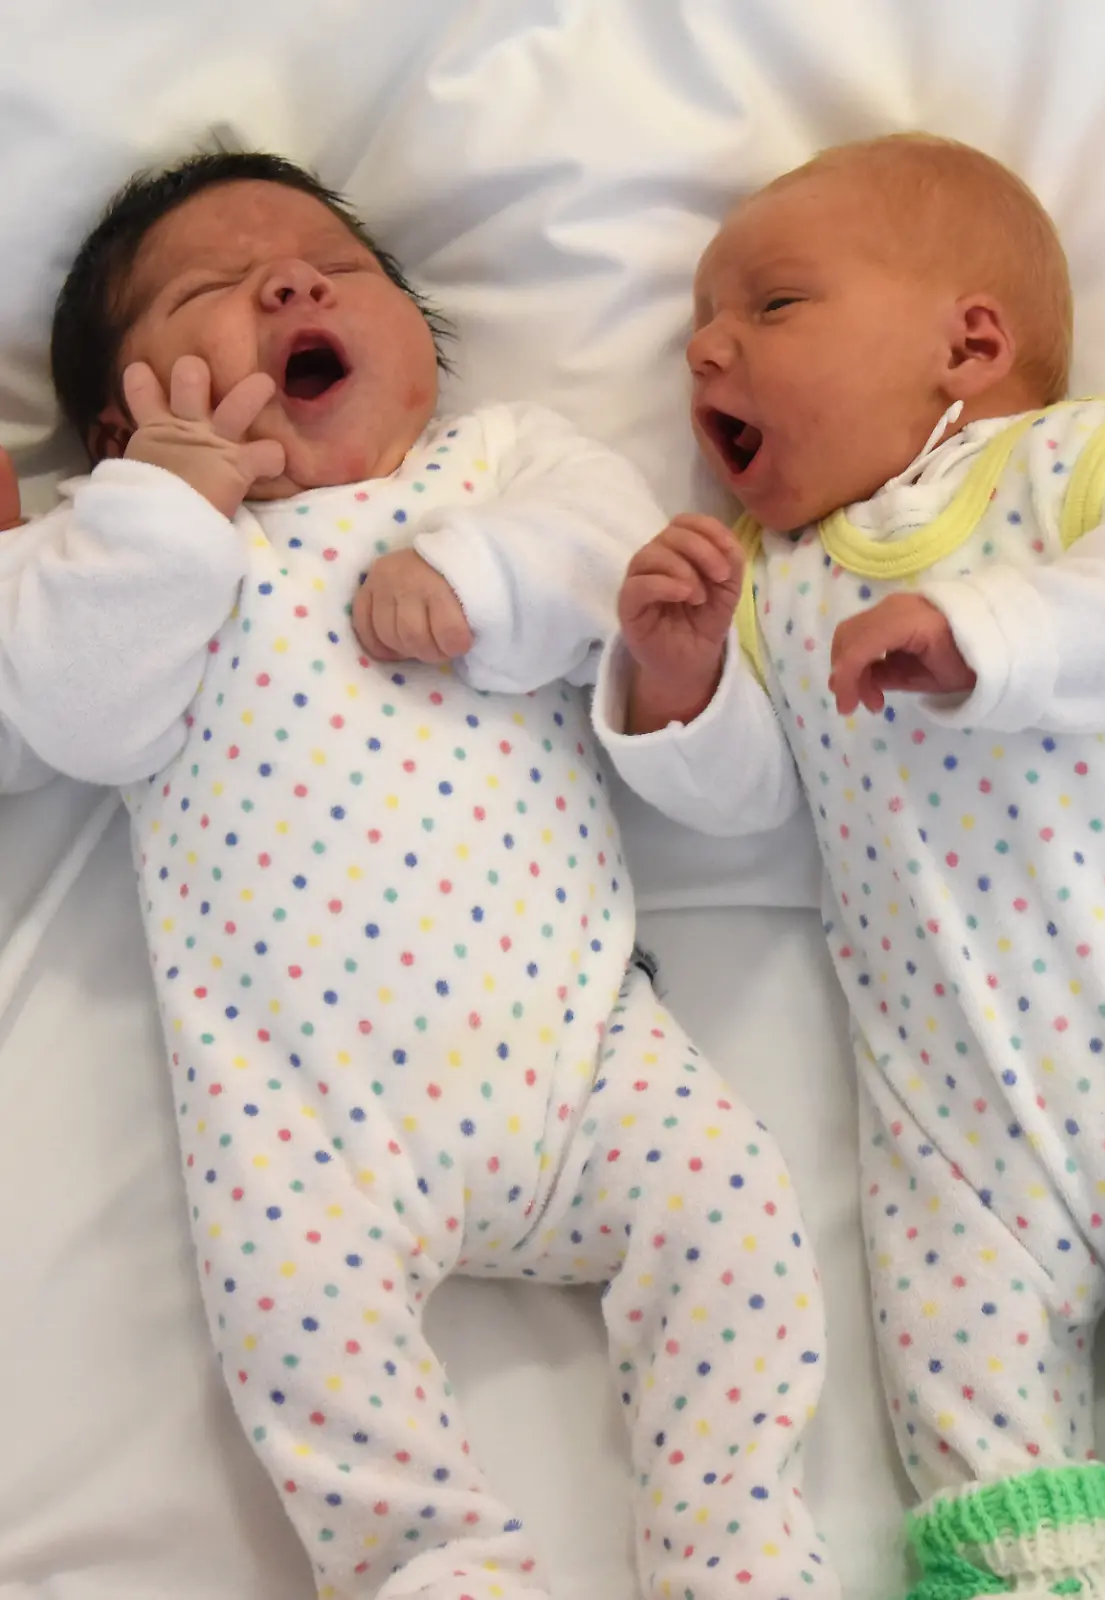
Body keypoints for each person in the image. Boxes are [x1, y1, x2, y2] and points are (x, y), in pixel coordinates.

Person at [0, 152, 831, 1600]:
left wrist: (487, 577)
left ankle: (734, 1537)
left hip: (580, 1056)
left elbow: (603, 551)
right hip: (308, 1116)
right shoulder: (108, 550)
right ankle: (433, 1560)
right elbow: (72, 713)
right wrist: (163, 512)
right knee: (292, 1333)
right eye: (210, 288)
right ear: (112, 420)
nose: (289, 282)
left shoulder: (498, 461)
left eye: (335, 264)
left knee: (734, 1221)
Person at [596, 131, 1105, 1600]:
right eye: (693, 334)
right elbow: (748, 811)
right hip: (957, 1128)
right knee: (960, 1382)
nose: (708, 354)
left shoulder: (1067, 462)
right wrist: (679, 688)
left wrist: (988, 632)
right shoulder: (773, 580)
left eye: (773, 309)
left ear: (970, 345)